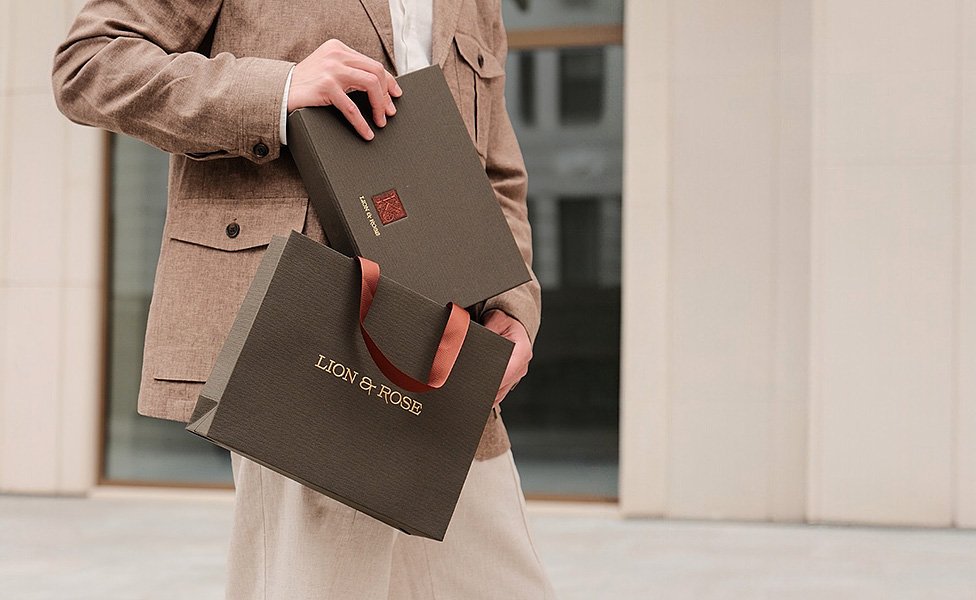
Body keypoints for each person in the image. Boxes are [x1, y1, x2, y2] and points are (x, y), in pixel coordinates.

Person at [52, 0, 555, 598]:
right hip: (304, 346)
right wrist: (280, 90)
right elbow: (90, 64)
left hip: (448, 359)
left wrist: (515, 302)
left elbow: (494, 168)